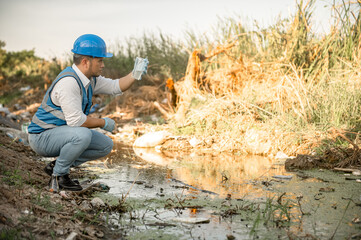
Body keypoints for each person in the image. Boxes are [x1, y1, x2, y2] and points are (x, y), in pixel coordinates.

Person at [27, 34, 148, 193]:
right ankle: (57, 177)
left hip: (60, 134)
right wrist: (103, 122)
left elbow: (115, 87)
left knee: (105, 145)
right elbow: (76, 122)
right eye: (100, 60)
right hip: (42, 137)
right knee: (82, 135)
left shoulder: (89, 79)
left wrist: (134, 74)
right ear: (85, 62)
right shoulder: (69, 82)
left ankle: (58, 167)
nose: (103, 65)